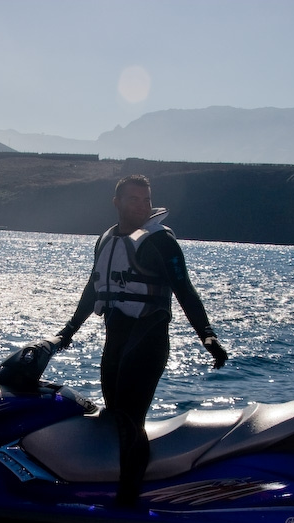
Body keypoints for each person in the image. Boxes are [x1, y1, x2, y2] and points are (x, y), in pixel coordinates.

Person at [56, 175, 228, 506]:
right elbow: (94, 287)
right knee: (113, 417)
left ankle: (129, 502)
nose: (142, 206)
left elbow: (185, 290)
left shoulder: (160, 241)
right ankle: (113, 488)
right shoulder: (107, 239)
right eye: (134, 199)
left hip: (149, 339)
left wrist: (207, 335)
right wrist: (69, 330)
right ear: (117, 202)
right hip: (116, 342)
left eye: (146, 199)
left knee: (130, 420)